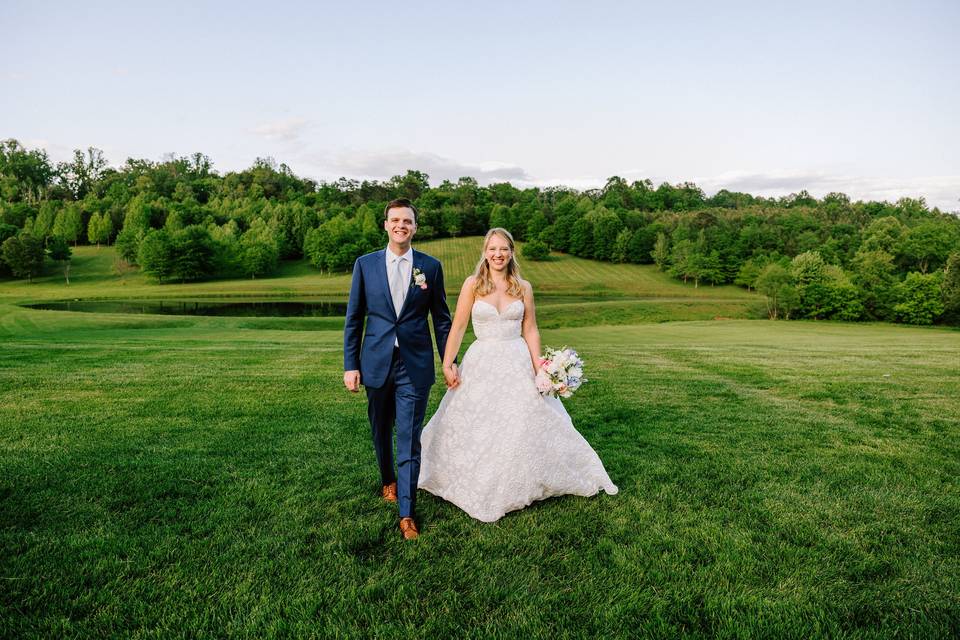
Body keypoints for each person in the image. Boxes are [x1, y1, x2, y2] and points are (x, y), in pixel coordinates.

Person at [418, 228, 618, 522]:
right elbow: (458, 325)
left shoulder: (522, 286)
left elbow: (530, 329)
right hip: (482, 360)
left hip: (516, 359)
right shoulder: (472, 284)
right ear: (485, 252)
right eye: (492, 249)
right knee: (480, 422)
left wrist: (541, 370)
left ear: (512, 253)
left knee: (523, 419)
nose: (498, 254)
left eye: (504, 249)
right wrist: (448, 362)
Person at [343, 198, 452, 540]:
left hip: (414, 366)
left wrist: (449, 360)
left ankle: (406, 513)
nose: (401, 225)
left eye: (407, 221)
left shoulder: (430, 268)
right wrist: (351, 365)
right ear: (386, 225)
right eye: (395, 220)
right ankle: (387, 480)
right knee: (380, 431)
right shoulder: (365, 264)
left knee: (408, 438)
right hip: (375, 362)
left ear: (415, 227)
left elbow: (442, 319)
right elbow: (354, 318)